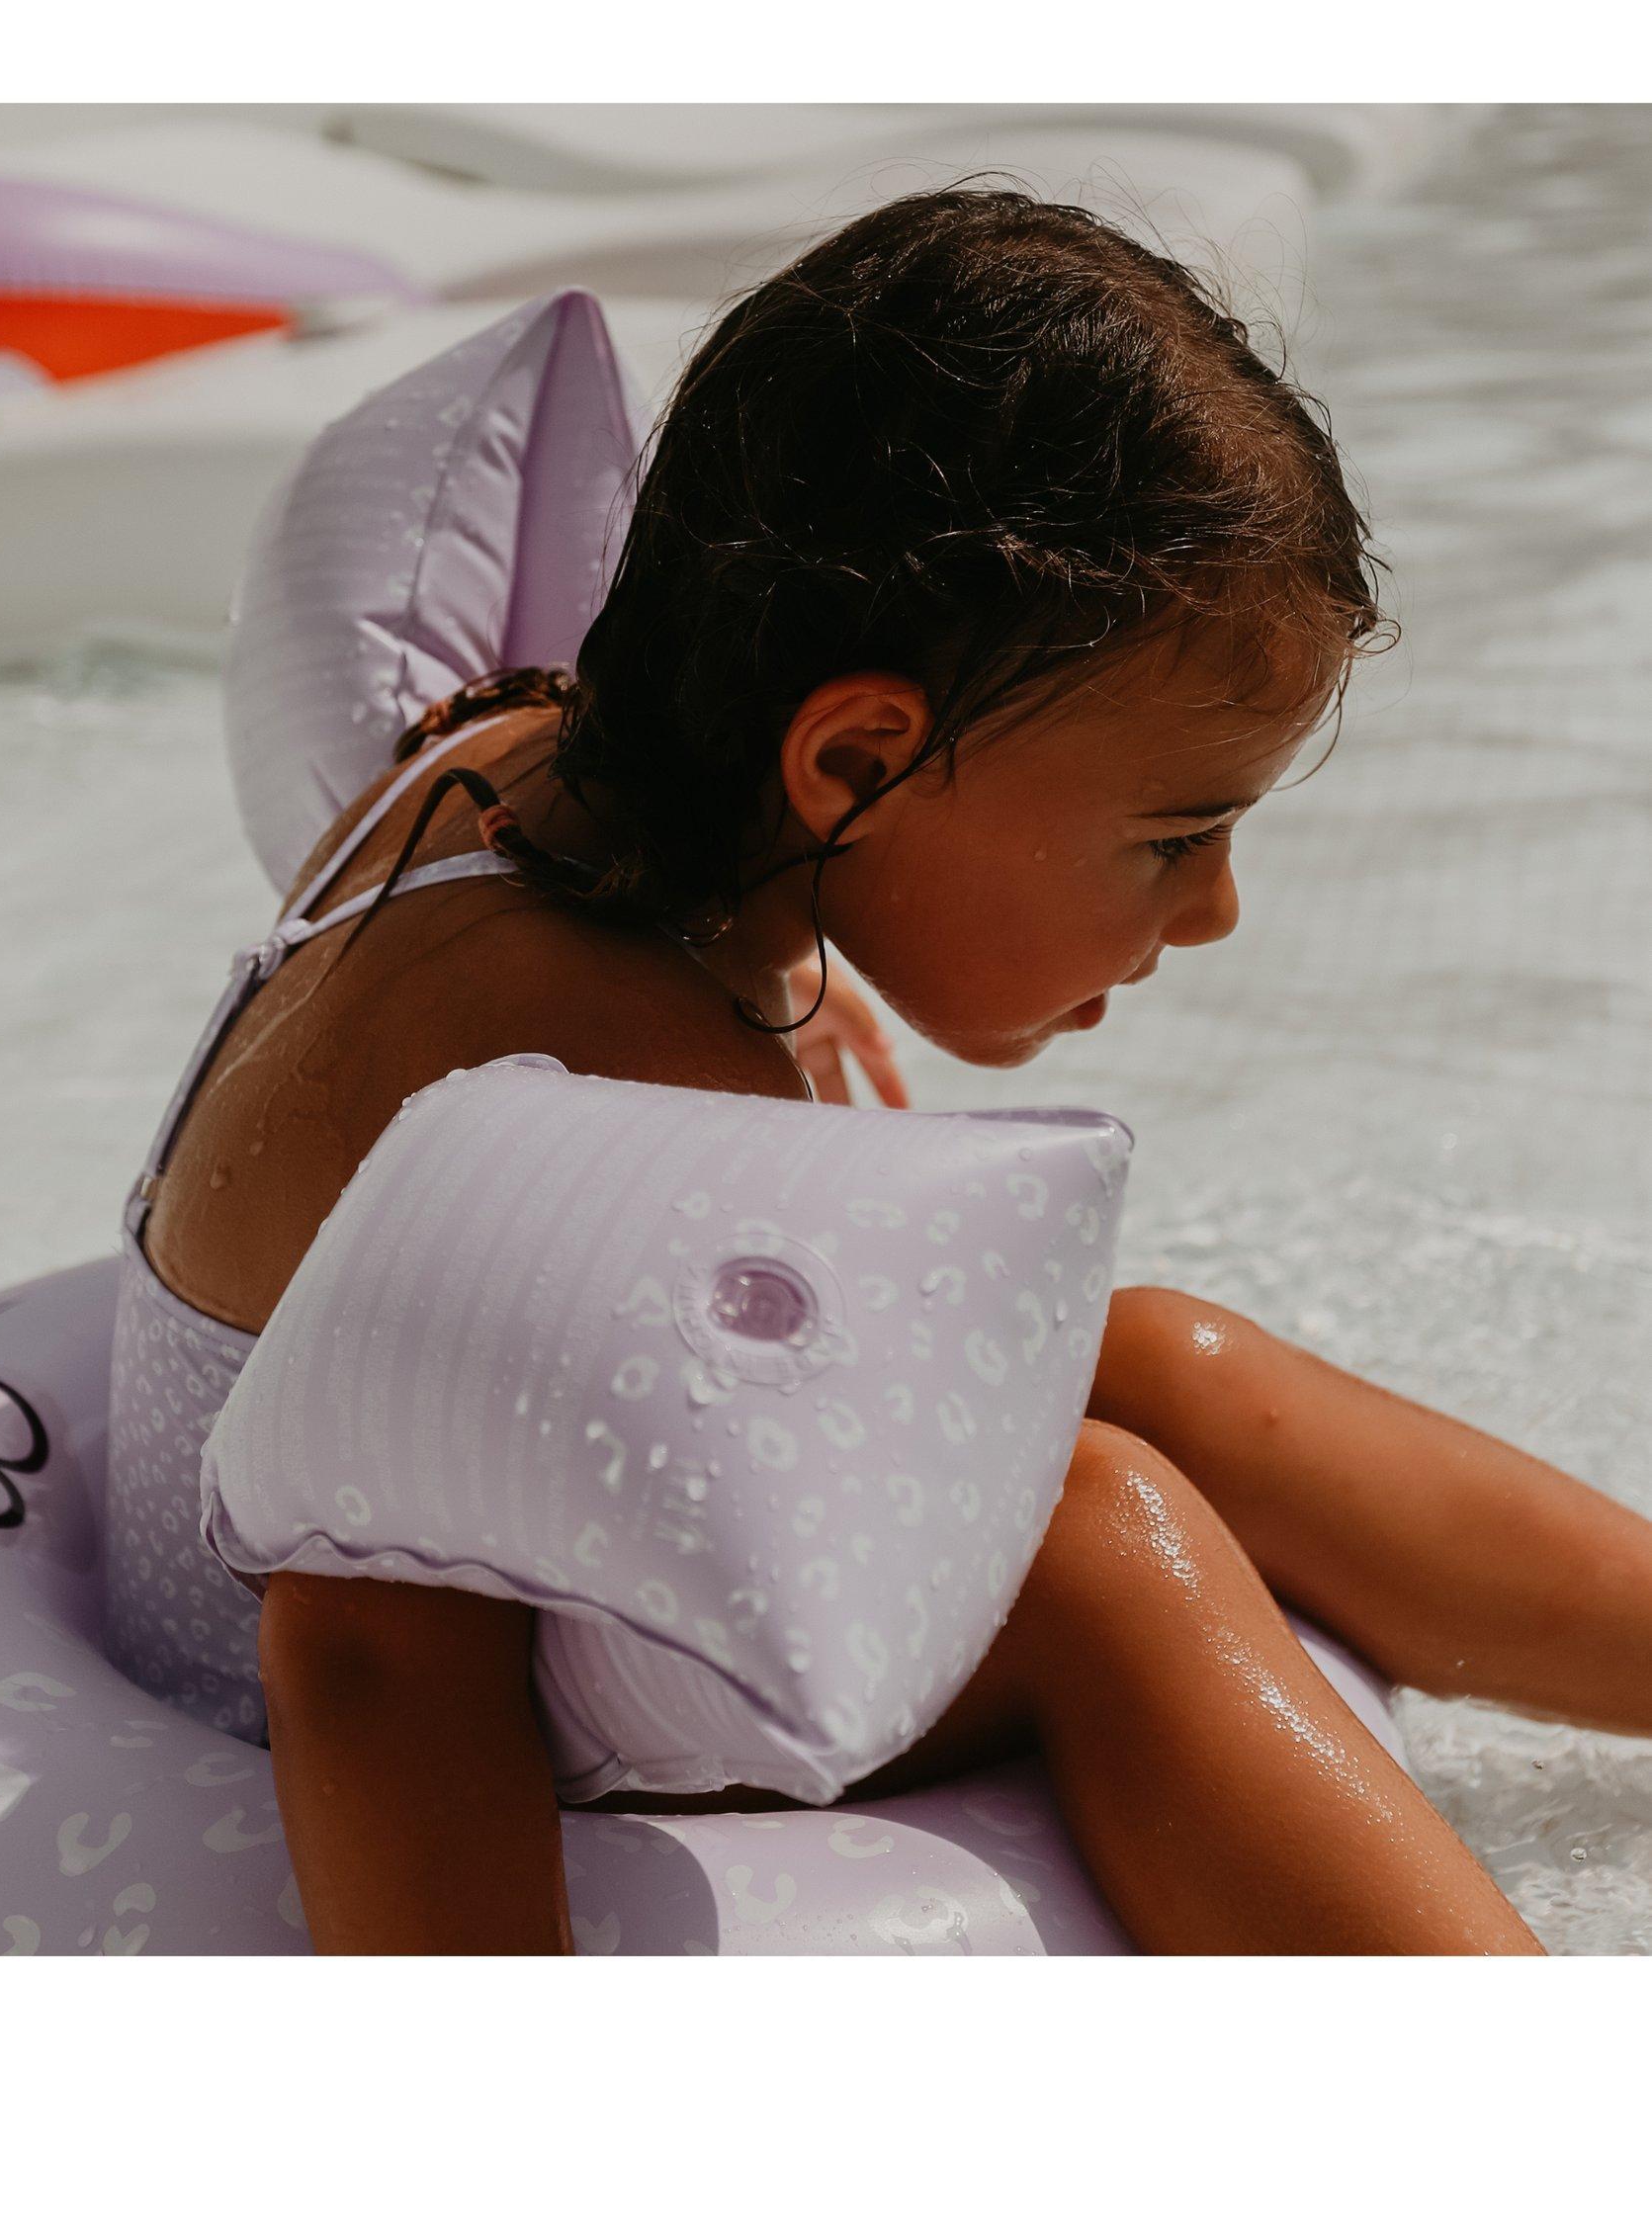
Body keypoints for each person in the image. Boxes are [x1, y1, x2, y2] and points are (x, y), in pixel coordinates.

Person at [144, 189, 1647, 1955]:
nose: (1216, 909)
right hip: (326, 1635)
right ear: (854, 761)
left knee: (1147, 1357)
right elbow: (372, 1639)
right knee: (1098, 1535)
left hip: (382, 1513)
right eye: (1173, 838)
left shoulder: (534, 755)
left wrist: (776, 970)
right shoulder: (597, 1093)